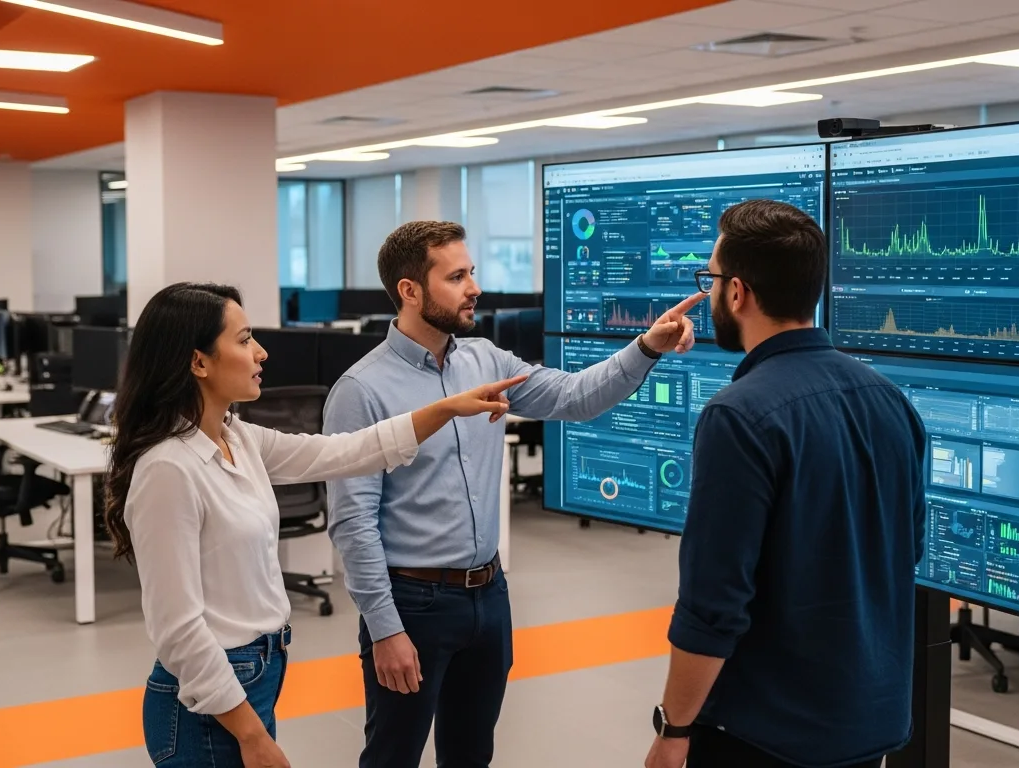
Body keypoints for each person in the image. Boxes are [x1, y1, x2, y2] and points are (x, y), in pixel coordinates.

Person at [324, 220, 704, 768]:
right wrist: (385, 629)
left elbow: (576, 397)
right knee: (391, 756)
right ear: (410, 291)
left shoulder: (487, 361)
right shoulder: (361, 391)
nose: (474, 287)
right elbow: (353, 522)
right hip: (414, 604)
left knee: (472, 754)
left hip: (488, 596)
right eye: (456, 276)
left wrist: (646, 346)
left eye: (471, 272)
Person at [103, 282, 528, 768]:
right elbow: (177, 630)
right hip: (210, 703)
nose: (261, 352)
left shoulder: (236, 437)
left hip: (251, 678)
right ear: (199, 363)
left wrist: (446, 407)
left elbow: (344, 451)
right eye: (243, 340)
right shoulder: (168, 470)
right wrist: (251, 735)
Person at [644, 200, 928, 768]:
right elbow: (907, 549)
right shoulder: (890, 400)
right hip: (865, 723)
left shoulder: (739, 416)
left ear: (737, 293)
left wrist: (674, 728)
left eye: (712, 279)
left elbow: (713, 605)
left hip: (766, 735)